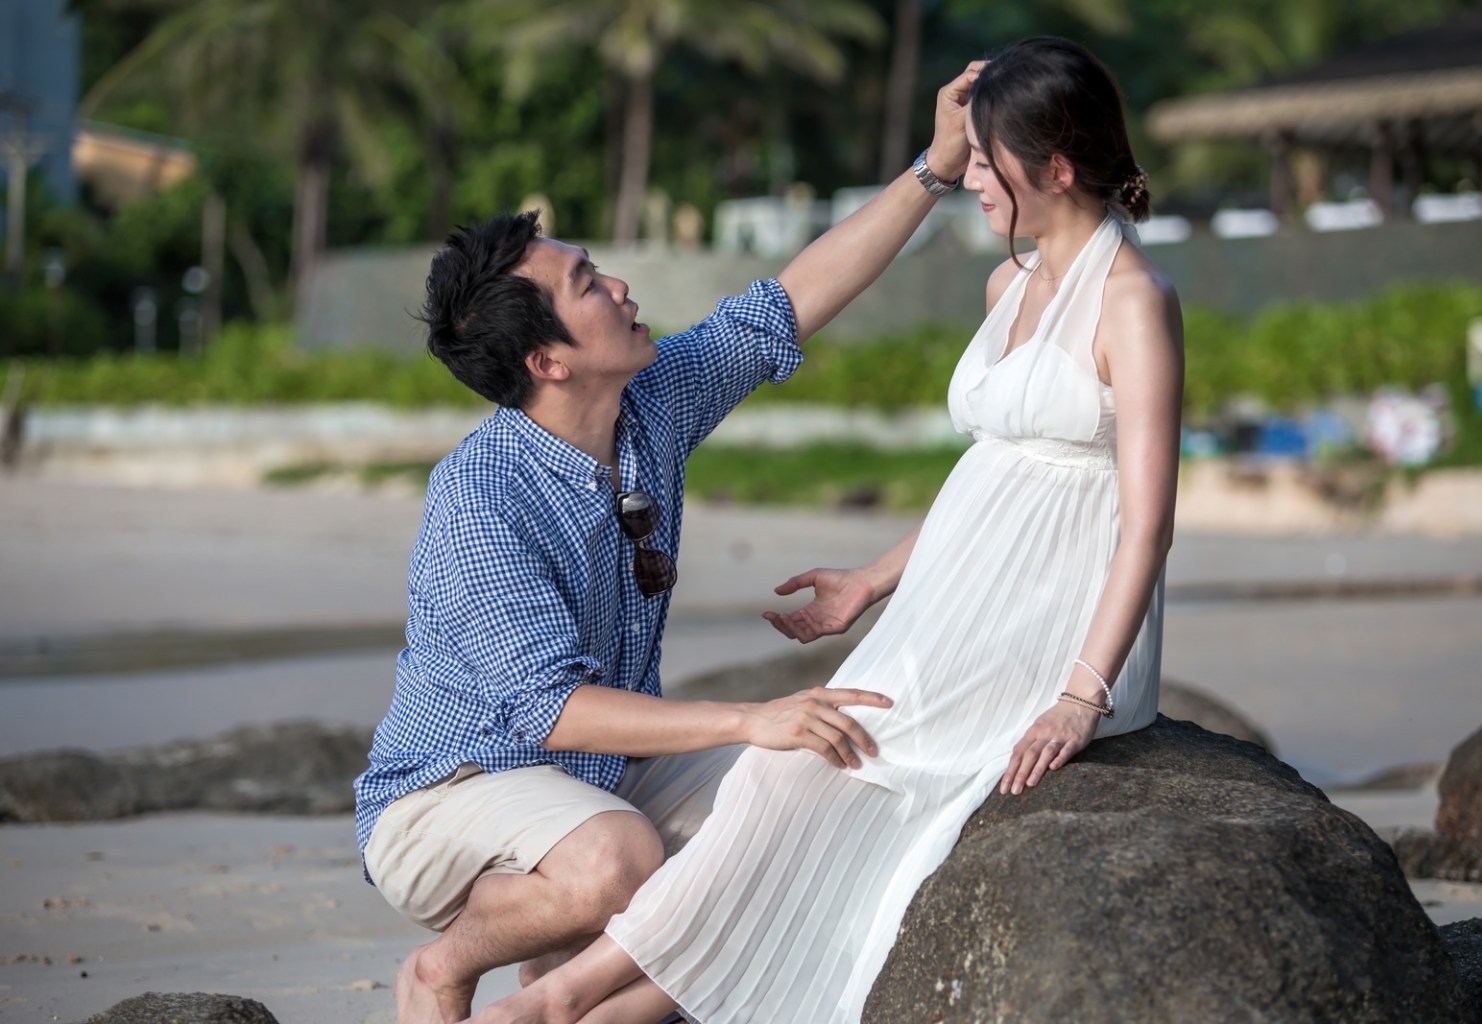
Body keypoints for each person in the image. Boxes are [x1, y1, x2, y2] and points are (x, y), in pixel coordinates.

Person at [466, 35, 1184, 1024]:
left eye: (985, 160)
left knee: (816, 785)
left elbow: (1147, 522)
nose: (970, 177)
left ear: (1056, 170)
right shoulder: (1007, 285)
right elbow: (997, 486)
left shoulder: (1136, 301)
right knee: (790, 776)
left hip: (1054, 624)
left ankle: (562, 999)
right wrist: (873, 581)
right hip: (955, 607)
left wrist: (1080, 695)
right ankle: (581, 1009)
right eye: (967, 158)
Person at [352, 63, 986, 1024]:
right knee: (620, 861)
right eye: (585, 283)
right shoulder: (481, 497)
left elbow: (790, 301)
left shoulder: (649, 407)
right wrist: (745, 718)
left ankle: (557, 991)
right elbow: (552, 712)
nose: (618, 284)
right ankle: (444, 970)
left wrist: (934, 171)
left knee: (825, 781)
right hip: (453, 789)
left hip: (596, 780)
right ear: (548, 360)